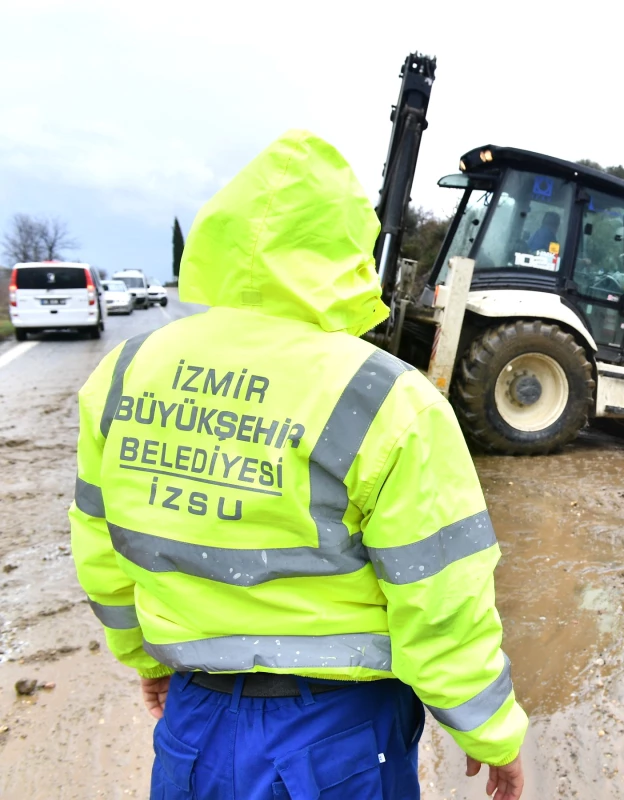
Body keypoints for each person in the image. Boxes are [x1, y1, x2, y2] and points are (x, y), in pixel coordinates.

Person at [68, 130, 527, 799]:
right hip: (335, 736)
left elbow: (101, 548)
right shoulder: (387, 398)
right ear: (345, 251)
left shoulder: (126, 373)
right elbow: (439, 593)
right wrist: (489, 732)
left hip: (194, 724)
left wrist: (142, 656)